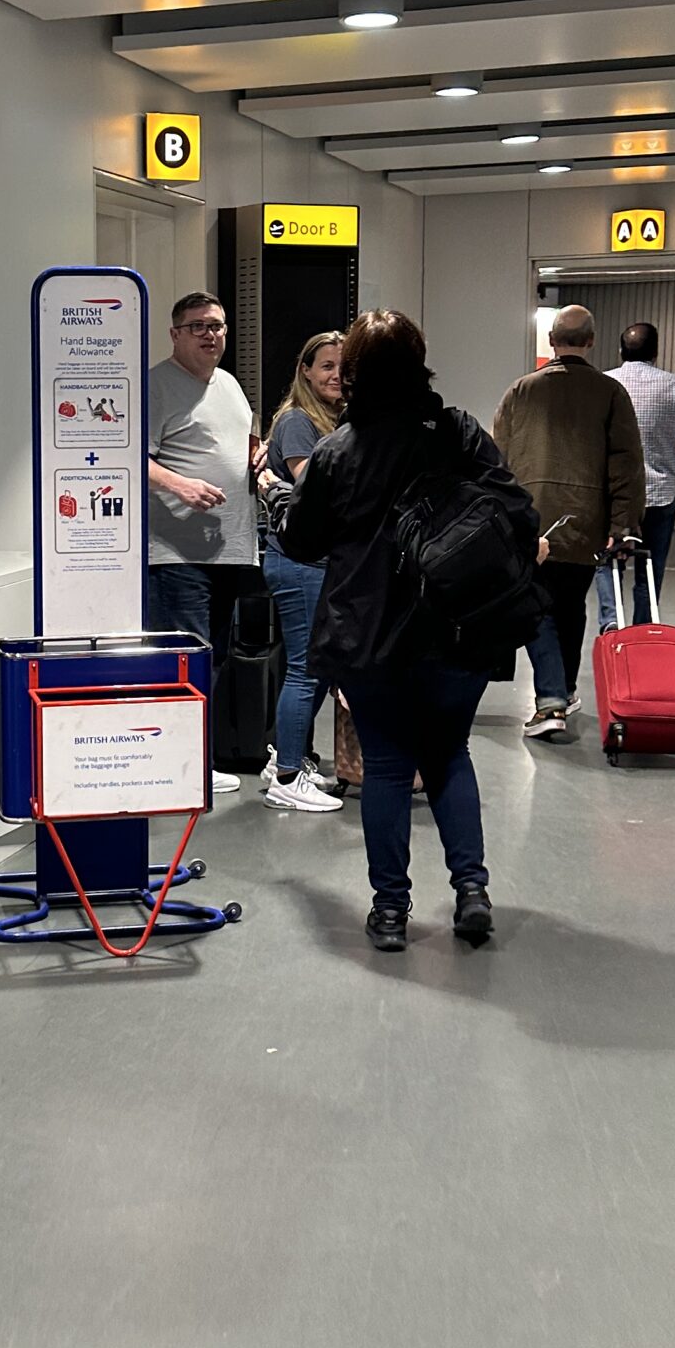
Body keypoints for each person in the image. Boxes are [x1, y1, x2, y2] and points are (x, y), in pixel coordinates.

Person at [282, 309, 539, 951]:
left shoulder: (338, 452)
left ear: (355, 373)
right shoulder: (458, 433)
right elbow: (520, 511)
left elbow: (302, 540)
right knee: (449, 753)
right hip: (459, 626)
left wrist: (284, 501)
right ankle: (472, 890)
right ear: (420, 364)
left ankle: (392, 911)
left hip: (370, 636)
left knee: (389, 767)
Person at [492, 304, 645, 743]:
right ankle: (566, 690)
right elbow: (626, 463)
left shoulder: (521, 390)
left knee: (537, 604)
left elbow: (497, 460)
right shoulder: (610, 393)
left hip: (531, 520)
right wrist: (622, 523)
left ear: (551, 341)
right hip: (586, 521)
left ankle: (552, 700)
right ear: (591, 341)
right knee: (572, 605)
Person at [146, 289, 260, 795]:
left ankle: (194, 762)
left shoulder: (229, 384)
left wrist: (257, 455)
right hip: (177, 553)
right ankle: (181, 768)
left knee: (211, 660)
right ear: (175, 334)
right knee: (185, 660)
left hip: (229, 549)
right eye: (198, 327)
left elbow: (234, 443)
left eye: (216, 325)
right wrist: (180, 485)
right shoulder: (156, 386)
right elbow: (127, 455)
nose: (210, 334)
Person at [258, 330, 346, 813]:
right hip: (298, 563)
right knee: (306, 670)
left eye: (343, 366)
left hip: (318, 562)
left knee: (317, 668)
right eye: (327, 366)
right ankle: (289, 776)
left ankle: (286, 760)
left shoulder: (333, 420)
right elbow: (317, 489)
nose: (336, 375)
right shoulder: (297, 421)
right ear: (306, 372)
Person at [605, 321, 675, 628]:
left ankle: (611, 624)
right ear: (655, 352)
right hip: (658, 496)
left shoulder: (605, 384)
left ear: (620, 351)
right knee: (650, 569)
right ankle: (642, 630)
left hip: (614, 497)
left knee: (607, 562)